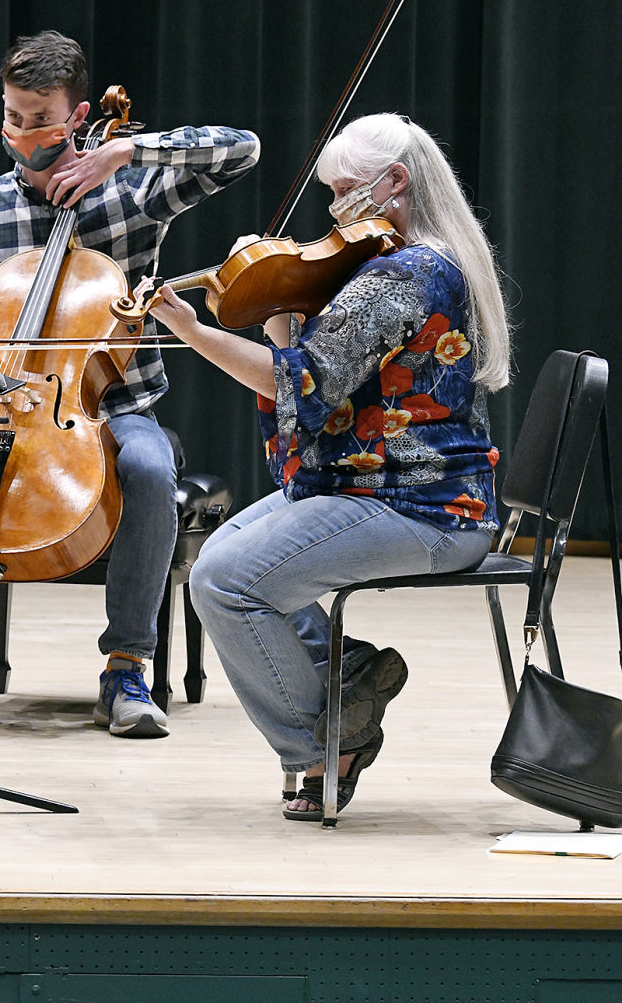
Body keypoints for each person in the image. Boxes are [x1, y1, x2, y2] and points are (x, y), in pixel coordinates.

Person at [0, 30, 261, 738]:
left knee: (144, 465)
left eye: (39, 119)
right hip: (1, 406)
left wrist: (127, 150)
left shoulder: (135, 191)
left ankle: (126, 667)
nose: (21, 133)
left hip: (109, 407)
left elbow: (241, 147)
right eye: (12, 116)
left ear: (78, 118)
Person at [149, 112, 509, 819]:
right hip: (371, 483)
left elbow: (299, 386)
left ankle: (320, 747)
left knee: (225, 583)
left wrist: (193, 331)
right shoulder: (384, 266)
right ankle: (350, 677)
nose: (333, 211)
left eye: (345, 191)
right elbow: (308, 369)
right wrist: (279, 294)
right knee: (219, 559)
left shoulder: (408, 272)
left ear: (394, 183)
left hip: (425, 505)